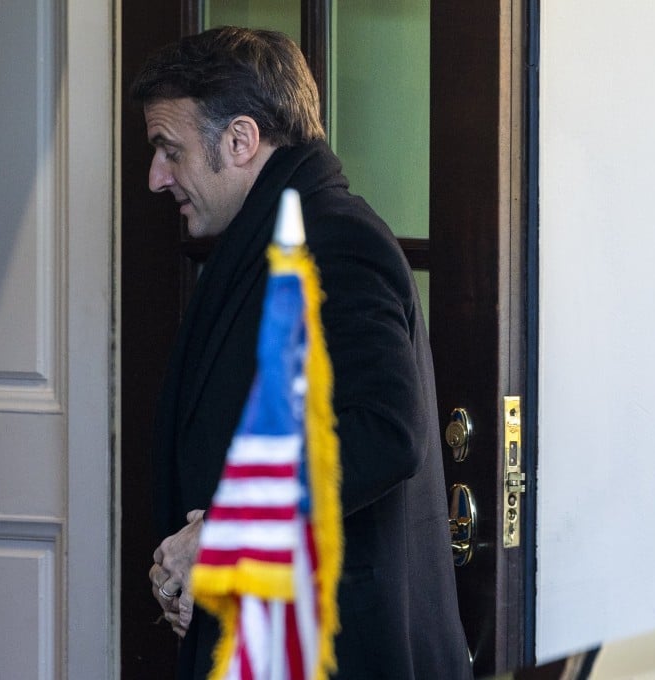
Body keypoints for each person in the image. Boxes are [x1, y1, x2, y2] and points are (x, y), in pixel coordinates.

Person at [134, 26, 473, 680]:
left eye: (168, 151)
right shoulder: (269, 241)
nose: (155, 178)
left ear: (240, 140)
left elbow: (384, 432)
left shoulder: (336, 241)